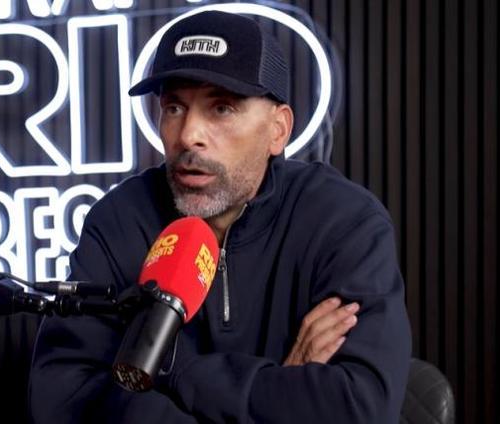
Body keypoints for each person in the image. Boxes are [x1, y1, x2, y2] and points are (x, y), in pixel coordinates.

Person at [29, 10, 411, 423]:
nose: (188, 135)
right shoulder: (118, 220)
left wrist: (170, 368)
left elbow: (359, 407)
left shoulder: (343, 222)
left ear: (278, 130)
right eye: (174, 107)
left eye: (222, 108)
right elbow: (63, 401)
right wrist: (279, 389)